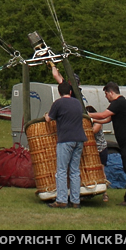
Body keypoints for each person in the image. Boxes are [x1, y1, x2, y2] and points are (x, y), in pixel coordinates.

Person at [45, 80, 86, 209]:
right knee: (74, 171)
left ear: (59, 92)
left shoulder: (58, 103)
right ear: (70, 91)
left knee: (62, 170)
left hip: (65, 139)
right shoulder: (78, 103)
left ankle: (62, 200)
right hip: (79, 139)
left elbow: (49, 119)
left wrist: (46, 115)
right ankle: (75, 201)